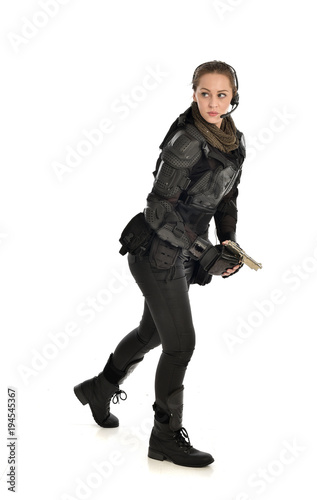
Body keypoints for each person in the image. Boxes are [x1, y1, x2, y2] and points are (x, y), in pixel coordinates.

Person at [74, 60, 246, 468]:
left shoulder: (233, 139)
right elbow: (157, 210)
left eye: (222, 94)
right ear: (193, 93)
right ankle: (165, 437)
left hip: (185, 253)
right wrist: (205, 252)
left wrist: (228, 240)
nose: (213, 101)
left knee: (151, 334)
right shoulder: (187, 140)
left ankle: (100, 388)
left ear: (233, 98)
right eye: (205, 93)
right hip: (157, 254)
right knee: (180, 344)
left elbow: (228, 196)